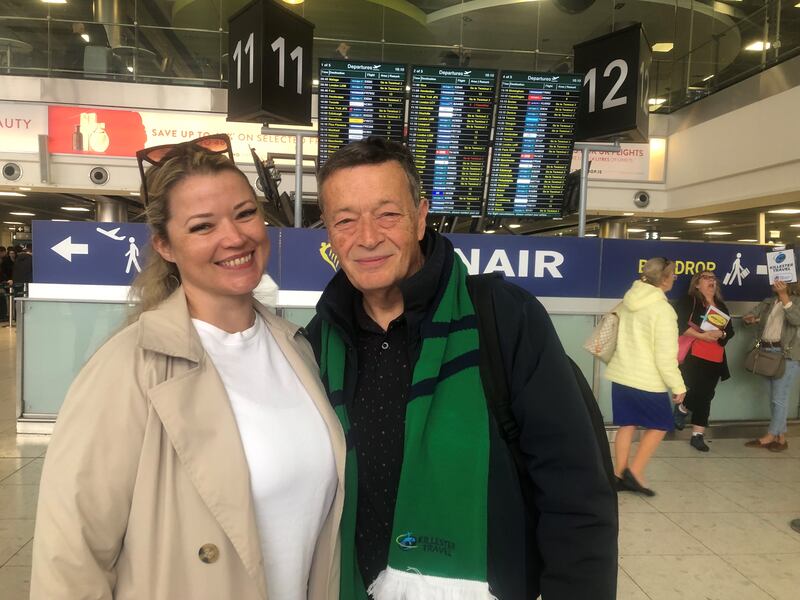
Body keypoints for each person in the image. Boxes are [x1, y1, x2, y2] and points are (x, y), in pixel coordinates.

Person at [31, 135, 345, 600]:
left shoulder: (296, 349)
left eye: (244, 213)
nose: (234, 237)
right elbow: (70, 556)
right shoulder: (129, 367)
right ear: (166, 246)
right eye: (202, 226)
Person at [306, 137, 617, 600]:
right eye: (345, 220)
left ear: (420, 217)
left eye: (387, 214)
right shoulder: (318, 343)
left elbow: (576, 492)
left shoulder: (503, 319)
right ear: (330, 233)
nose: (367, 236)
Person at [605, 257, 686, 496]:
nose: (675, 278)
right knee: (661, 424)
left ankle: (619, 475)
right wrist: (678, 385)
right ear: (663, 279)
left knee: (626, 425)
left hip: (621, 375)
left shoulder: (628, 300)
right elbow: (665, 356)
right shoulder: (662, 310)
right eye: (673, 274)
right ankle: (636, 474)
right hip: (646, 379)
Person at [673, 270, 735, 451]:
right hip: (694, 354)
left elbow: (729, 331)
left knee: (707, 394)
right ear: (697, 284)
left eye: (714, 278)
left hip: (716, 357)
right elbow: (679, 324)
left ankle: (695, 431)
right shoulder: (689, 301)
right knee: (701, 391)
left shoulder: (721, 306)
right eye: (706, 278)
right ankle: (686, 411)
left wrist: (722, 333)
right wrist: (703, 335)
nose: (711, 281)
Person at [742, 279, 800, 452]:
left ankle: (770, 436)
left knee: (779, 399)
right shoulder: (768, 302)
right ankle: (781, 437)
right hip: (767, 354)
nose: (775, 282)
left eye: (780, 280)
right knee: (775, 399)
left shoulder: (795, 302)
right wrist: (749, 319)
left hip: (786, 356)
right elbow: (750, 316)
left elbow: (796, 319)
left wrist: (784, 297)